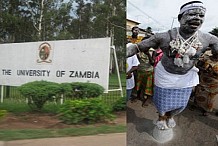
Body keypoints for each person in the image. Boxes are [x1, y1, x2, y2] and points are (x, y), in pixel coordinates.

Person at [127, 1, 218, 130]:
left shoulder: (207, 39)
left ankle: (171, 116)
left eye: (201, 16)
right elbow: (138, 47)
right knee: (162, 102)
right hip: (165, 75)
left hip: (186, 78)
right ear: (180, 18)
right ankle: (161, 117)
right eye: (192, 14)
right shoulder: (164, 36)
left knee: (181, 104)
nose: (197, 18)